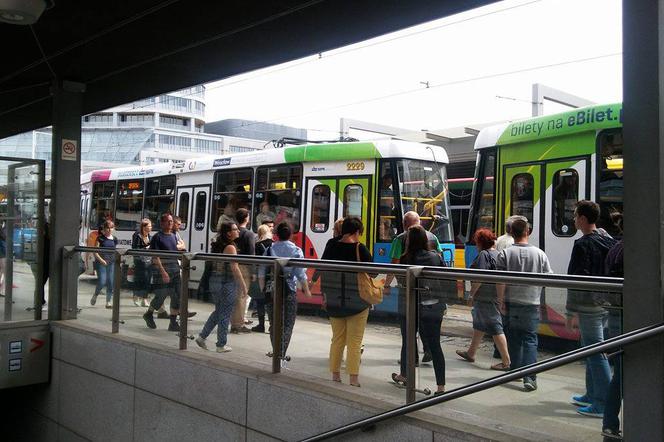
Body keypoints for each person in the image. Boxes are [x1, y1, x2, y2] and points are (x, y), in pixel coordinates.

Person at [566, 200, 616, 418]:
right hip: (605, 302)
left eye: (576, 216)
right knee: (591, 349)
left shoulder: (583, 245)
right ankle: (591, 393)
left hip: (588, 305)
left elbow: (575, 280)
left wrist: (570, 310)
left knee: (595, 353)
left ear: (583, 219)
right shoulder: (607, 240)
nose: (574, 219)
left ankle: (602, 403)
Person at [495, 217, 553, 392]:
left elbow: (500, 280)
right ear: (527, 232)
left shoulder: (505, 253)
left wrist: (501, 300)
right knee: (530, 339)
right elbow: (549, 277)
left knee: (513, 337)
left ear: (511, 233)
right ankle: (530, 377)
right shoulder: (540, 254)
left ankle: (516, 371)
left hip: (512, 302)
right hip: (531, 302)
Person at [391, 225, 447, 394]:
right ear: (425, 239)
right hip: (433, 306)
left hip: (410, 305)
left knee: (408, 341)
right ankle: (441, 387)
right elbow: (445, 280)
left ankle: (406, 376)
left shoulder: (404, 258)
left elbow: (401, 280)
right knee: (435, 345)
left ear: (408, 240)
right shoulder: (435, 257)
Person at [384, 211, 442, 365]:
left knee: (408, 325)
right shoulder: (433, 237)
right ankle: (428, 350)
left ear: (404, 224)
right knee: (423, 320)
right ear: (420, 222)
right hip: (429, 290)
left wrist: (387, 285)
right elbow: (440, 258)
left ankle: (412, 359)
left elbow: (395, 264)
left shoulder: (400, 239)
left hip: (407, 288)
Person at [321, 217, 372, 387]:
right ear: (357, 232)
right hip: (357, 302)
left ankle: (335, 375)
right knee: (355, 342)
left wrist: (325, 295)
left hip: (334, 300)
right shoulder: (360, 248)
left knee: (337, 339)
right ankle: (353, 379)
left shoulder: (331, 245)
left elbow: (324, 270)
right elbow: (373, 273)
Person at [456, 228, 511, 371]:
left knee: (495, 326)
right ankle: (471, 352)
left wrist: (471, 295)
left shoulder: (483, 255)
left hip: (485, 296)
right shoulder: (498, 254)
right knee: (480, 324)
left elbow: (480, 277)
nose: (475, 245)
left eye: (476, 242)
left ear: (480, 242)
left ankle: (506, 362)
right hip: (493, 295)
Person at [259, 221, 311, 359]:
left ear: (276, 235)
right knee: (288, 323)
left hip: (271, 290)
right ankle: (280, 353)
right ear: (291, 234)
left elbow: (262, 271)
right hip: (289, 291)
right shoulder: (296, 250)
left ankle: (276, 351)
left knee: (273, 323)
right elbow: (300, 273)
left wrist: (263, 288)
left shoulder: (269, 250)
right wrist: (306, 290)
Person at [195, 222, 248, 353]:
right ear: (229, 233)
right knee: (225, 313)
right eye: (235, 229)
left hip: (215, 281)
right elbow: (234, 268)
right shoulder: (230, 247)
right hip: (226, 282)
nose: (238, 232)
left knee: (219, 311)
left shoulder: (219, 245)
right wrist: (243, 285)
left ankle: (202, 337)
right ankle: (221, 344)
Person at [602, 212, 623, 440]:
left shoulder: (615, 249)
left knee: (620, 375)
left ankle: (609, 426)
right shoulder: (626, 250)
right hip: (626, 318)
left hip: (616, 316)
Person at [142, 213, 184, 332]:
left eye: (171, 221)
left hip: (175, 269)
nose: (170, 223)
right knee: (161, 295)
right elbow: (155, 256)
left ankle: (173, 323)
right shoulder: (157, 237)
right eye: (168, 221)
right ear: (162, 223)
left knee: (177, 296)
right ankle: (149, 313)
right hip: (163, 270)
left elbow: (176, 252)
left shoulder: (174, 236)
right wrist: (163, 271)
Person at [230, 208, 256, 333]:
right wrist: (254, 271)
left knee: (235, 295)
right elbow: (251, 254)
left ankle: (234, 321)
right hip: (244, 267)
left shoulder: (232, 232)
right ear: (246, 218)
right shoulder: (249, 234)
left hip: (232, 265)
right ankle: (238, 324)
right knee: (242, 296)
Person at [90, 220, 118, 309]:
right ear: (104, 229)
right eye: (107, 228)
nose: (109, 230)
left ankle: (108, 302)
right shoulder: (100, 238)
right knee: (102, 281)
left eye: (111, 228)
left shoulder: (114, 239)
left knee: (110, 282)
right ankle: (95, 294)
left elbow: (115, 251)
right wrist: (101, 260)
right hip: (101, 262)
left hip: (111, 262)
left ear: (113, 229)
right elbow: (95, 251)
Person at [251, 224, 273, 333]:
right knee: (270, 301)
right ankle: (272, 325)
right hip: (271, 275)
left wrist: (254, 274)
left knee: (260, 301)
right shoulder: (273, 244)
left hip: (261, 275)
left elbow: (256, 262)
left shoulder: (257, 245)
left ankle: (261, 325)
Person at [131, 219, 152, 307]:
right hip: (140, 261)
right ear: (144, 226)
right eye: (149, 226)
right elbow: (135, 248)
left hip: (148, 261)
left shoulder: (149, 236)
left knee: (147, 280)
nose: (150, 228)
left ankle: (145, 298)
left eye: (151, 226)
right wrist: (146, 248)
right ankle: (136, 296)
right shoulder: (137, 235)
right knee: (139, 279)